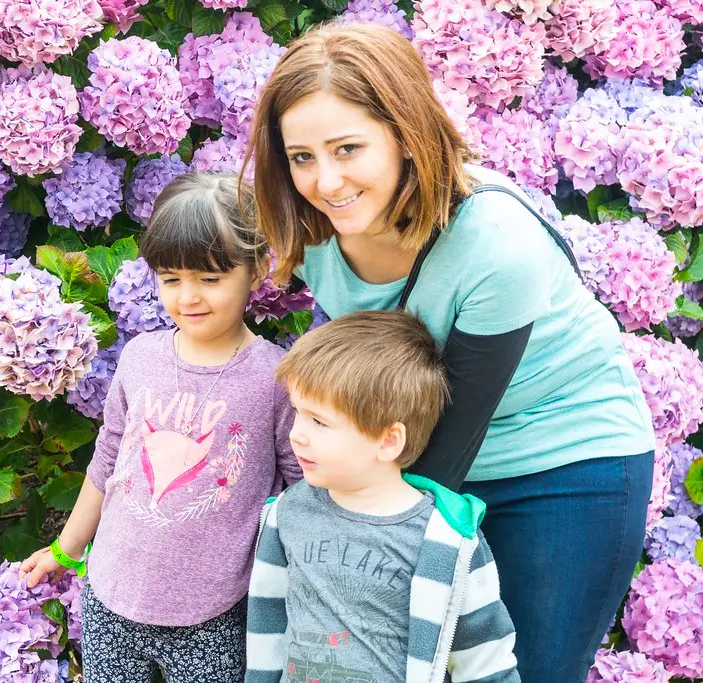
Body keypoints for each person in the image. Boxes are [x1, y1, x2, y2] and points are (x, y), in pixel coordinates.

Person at [247, 22, 655, 682]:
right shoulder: (319, 226)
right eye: (301, 157)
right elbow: (344, 386)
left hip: (563, 466)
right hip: (419, 451)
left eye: (348, 148)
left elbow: (439, 458)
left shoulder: (496, 242)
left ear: (406, 134)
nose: (325, 181)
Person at [21, 172, 302, 683]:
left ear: (257, 269)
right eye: (171, 278)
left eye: (210, 279)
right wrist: (66, 548)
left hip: (214, 616)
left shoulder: (275, 379)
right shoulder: (140, 356)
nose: (188, 296)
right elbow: (106, 461)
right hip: (111, 601)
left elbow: (300, 491)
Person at [245, 310, 520, 683]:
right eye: (298, 412)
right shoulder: (288, 513)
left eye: (320, 422)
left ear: (388, 441)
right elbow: (267, 626)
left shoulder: (446, 538)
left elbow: (486, 660)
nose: (297, 434)